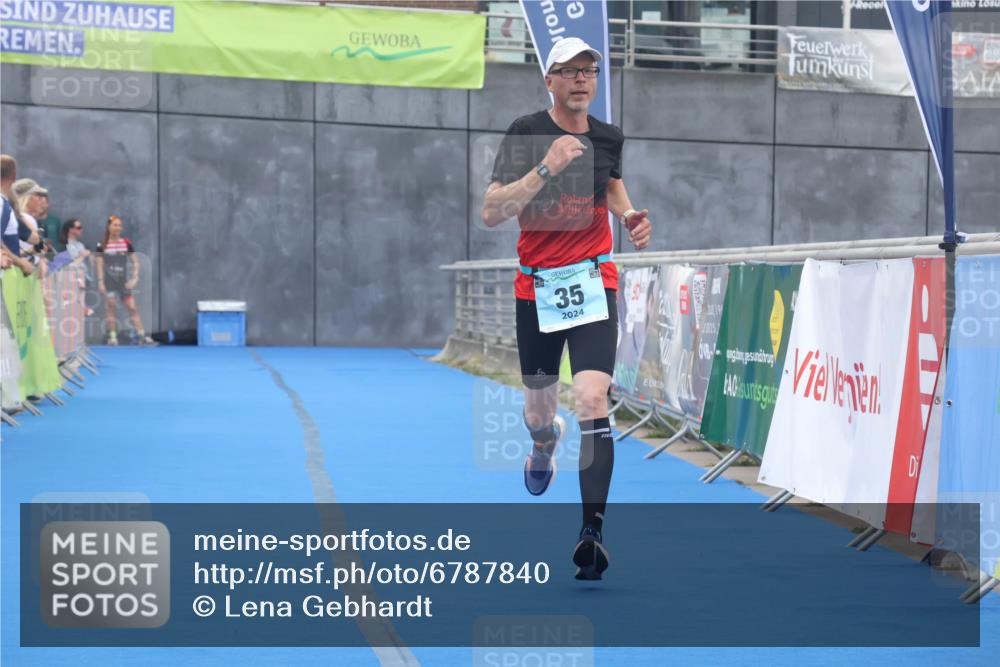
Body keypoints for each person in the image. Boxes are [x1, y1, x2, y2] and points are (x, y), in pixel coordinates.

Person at [481, 37, 652, 580]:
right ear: (549, 80)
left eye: (589, 70)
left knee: (593, 397)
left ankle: (591, 534)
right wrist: (546, 168)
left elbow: (612, 187)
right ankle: (543, 442)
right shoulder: (525, 133)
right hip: (537, 289)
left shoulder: (608, 137)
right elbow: (491, 212)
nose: (581, 78)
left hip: (592, 281)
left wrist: (628, 216)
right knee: (538, 412)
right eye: (570, 70)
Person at [95, 215, 155, 346]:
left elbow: (135, 261)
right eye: (115, 225)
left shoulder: (126, 243)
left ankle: (142, 335)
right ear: (109, 227)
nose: (117, 228)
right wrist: (100, 281)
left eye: (119, 225)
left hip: (123, 282)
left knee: (132, 307)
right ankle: (112, 338)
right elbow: (99, 264)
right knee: (111, 307)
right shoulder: (102, 244)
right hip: (109, 282)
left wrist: (135, 277)